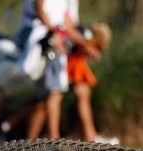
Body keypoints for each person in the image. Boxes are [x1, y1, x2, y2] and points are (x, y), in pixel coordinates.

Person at [34, 0, 100, 139]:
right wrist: (54, 32)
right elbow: (39, 9)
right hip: (44, 44)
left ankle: (87, 138)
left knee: (57, 94)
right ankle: (53, 139)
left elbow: (69, 26)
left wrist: (85, 46)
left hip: (61, 46)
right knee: (54, 94)